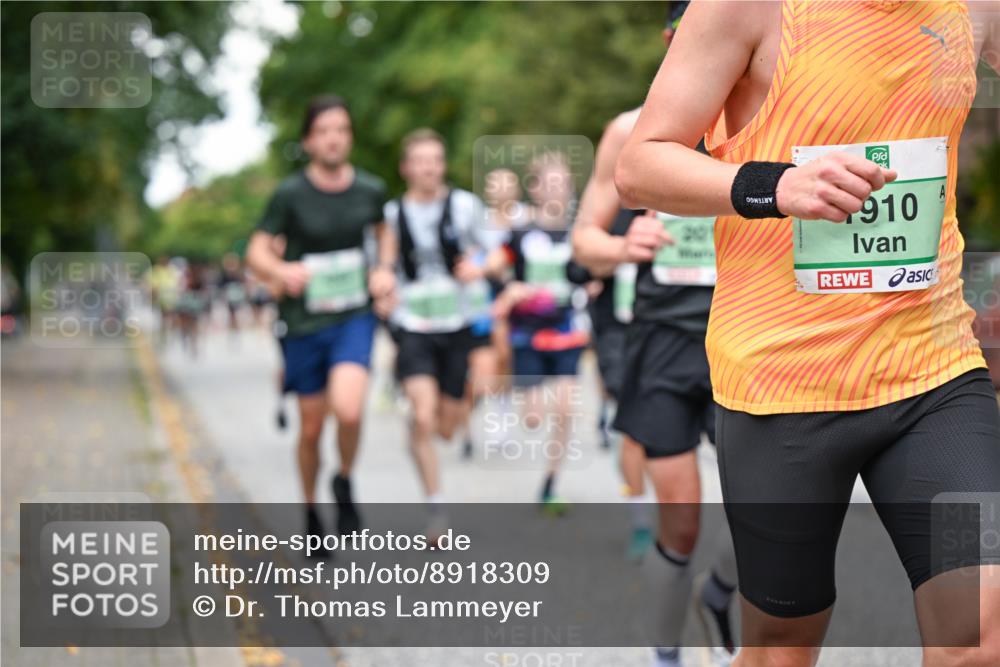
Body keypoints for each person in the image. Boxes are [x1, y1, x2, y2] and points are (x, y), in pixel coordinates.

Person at [615, 2, 1000, 666]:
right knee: (782, 650)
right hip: (782, 387)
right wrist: (778, 185)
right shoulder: (748, 7)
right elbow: (640, 167)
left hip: (934, 372)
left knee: (980, 632)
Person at [573, 7, 737, 665]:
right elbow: (584, 240)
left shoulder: (768, 120)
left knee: (776, 510)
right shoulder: (628, 130)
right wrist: (621, 245)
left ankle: (721, 591)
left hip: (746, 337)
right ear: (674, 39)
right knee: (683, 515)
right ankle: (664, 650)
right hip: (664, 339)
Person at [246, 95, 396, 557]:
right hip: (305, 320)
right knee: (311, 429)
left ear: (349, 137)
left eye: (342, 129)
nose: (334, 138)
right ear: (310, 140)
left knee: (349, 411)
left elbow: (384, 234)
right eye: (325, 130)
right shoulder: (290, 195)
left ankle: (344, 479)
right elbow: (256, 250)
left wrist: (385, 270)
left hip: (352, 315)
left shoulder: (370, 190)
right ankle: (311, 510)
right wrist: (278, 272)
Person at [380, 128, 493, 536]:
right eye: (420, 160)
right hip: (413, 325)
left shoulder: (465, 207)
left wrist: (480, 266)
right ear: (406, 168)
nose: (429, 168)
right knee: (423, 417)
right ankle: (436, 512)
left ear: (442, 165)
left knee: (448, 425)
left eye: (435, 160)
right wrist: (382, 287)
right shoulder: (392, 216)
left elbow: (497, 252)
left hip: (459, 323)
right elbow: (383, 267)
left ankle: (452, 413)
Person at [487, 152, 589, 510]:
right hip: (527, 334)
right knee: (533, 419)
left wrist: (592, 285)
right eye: (551, 182)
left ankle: (550, 482)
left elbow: (595, 270)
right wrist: (510, 288)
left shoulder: (580, 231)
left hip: (566, 331)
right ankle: (512, 402)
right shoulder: (520, 232)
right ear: (535, 189)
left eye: (564, 182)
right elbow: (495, 266)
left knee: (564, 409)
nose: (558, 189)